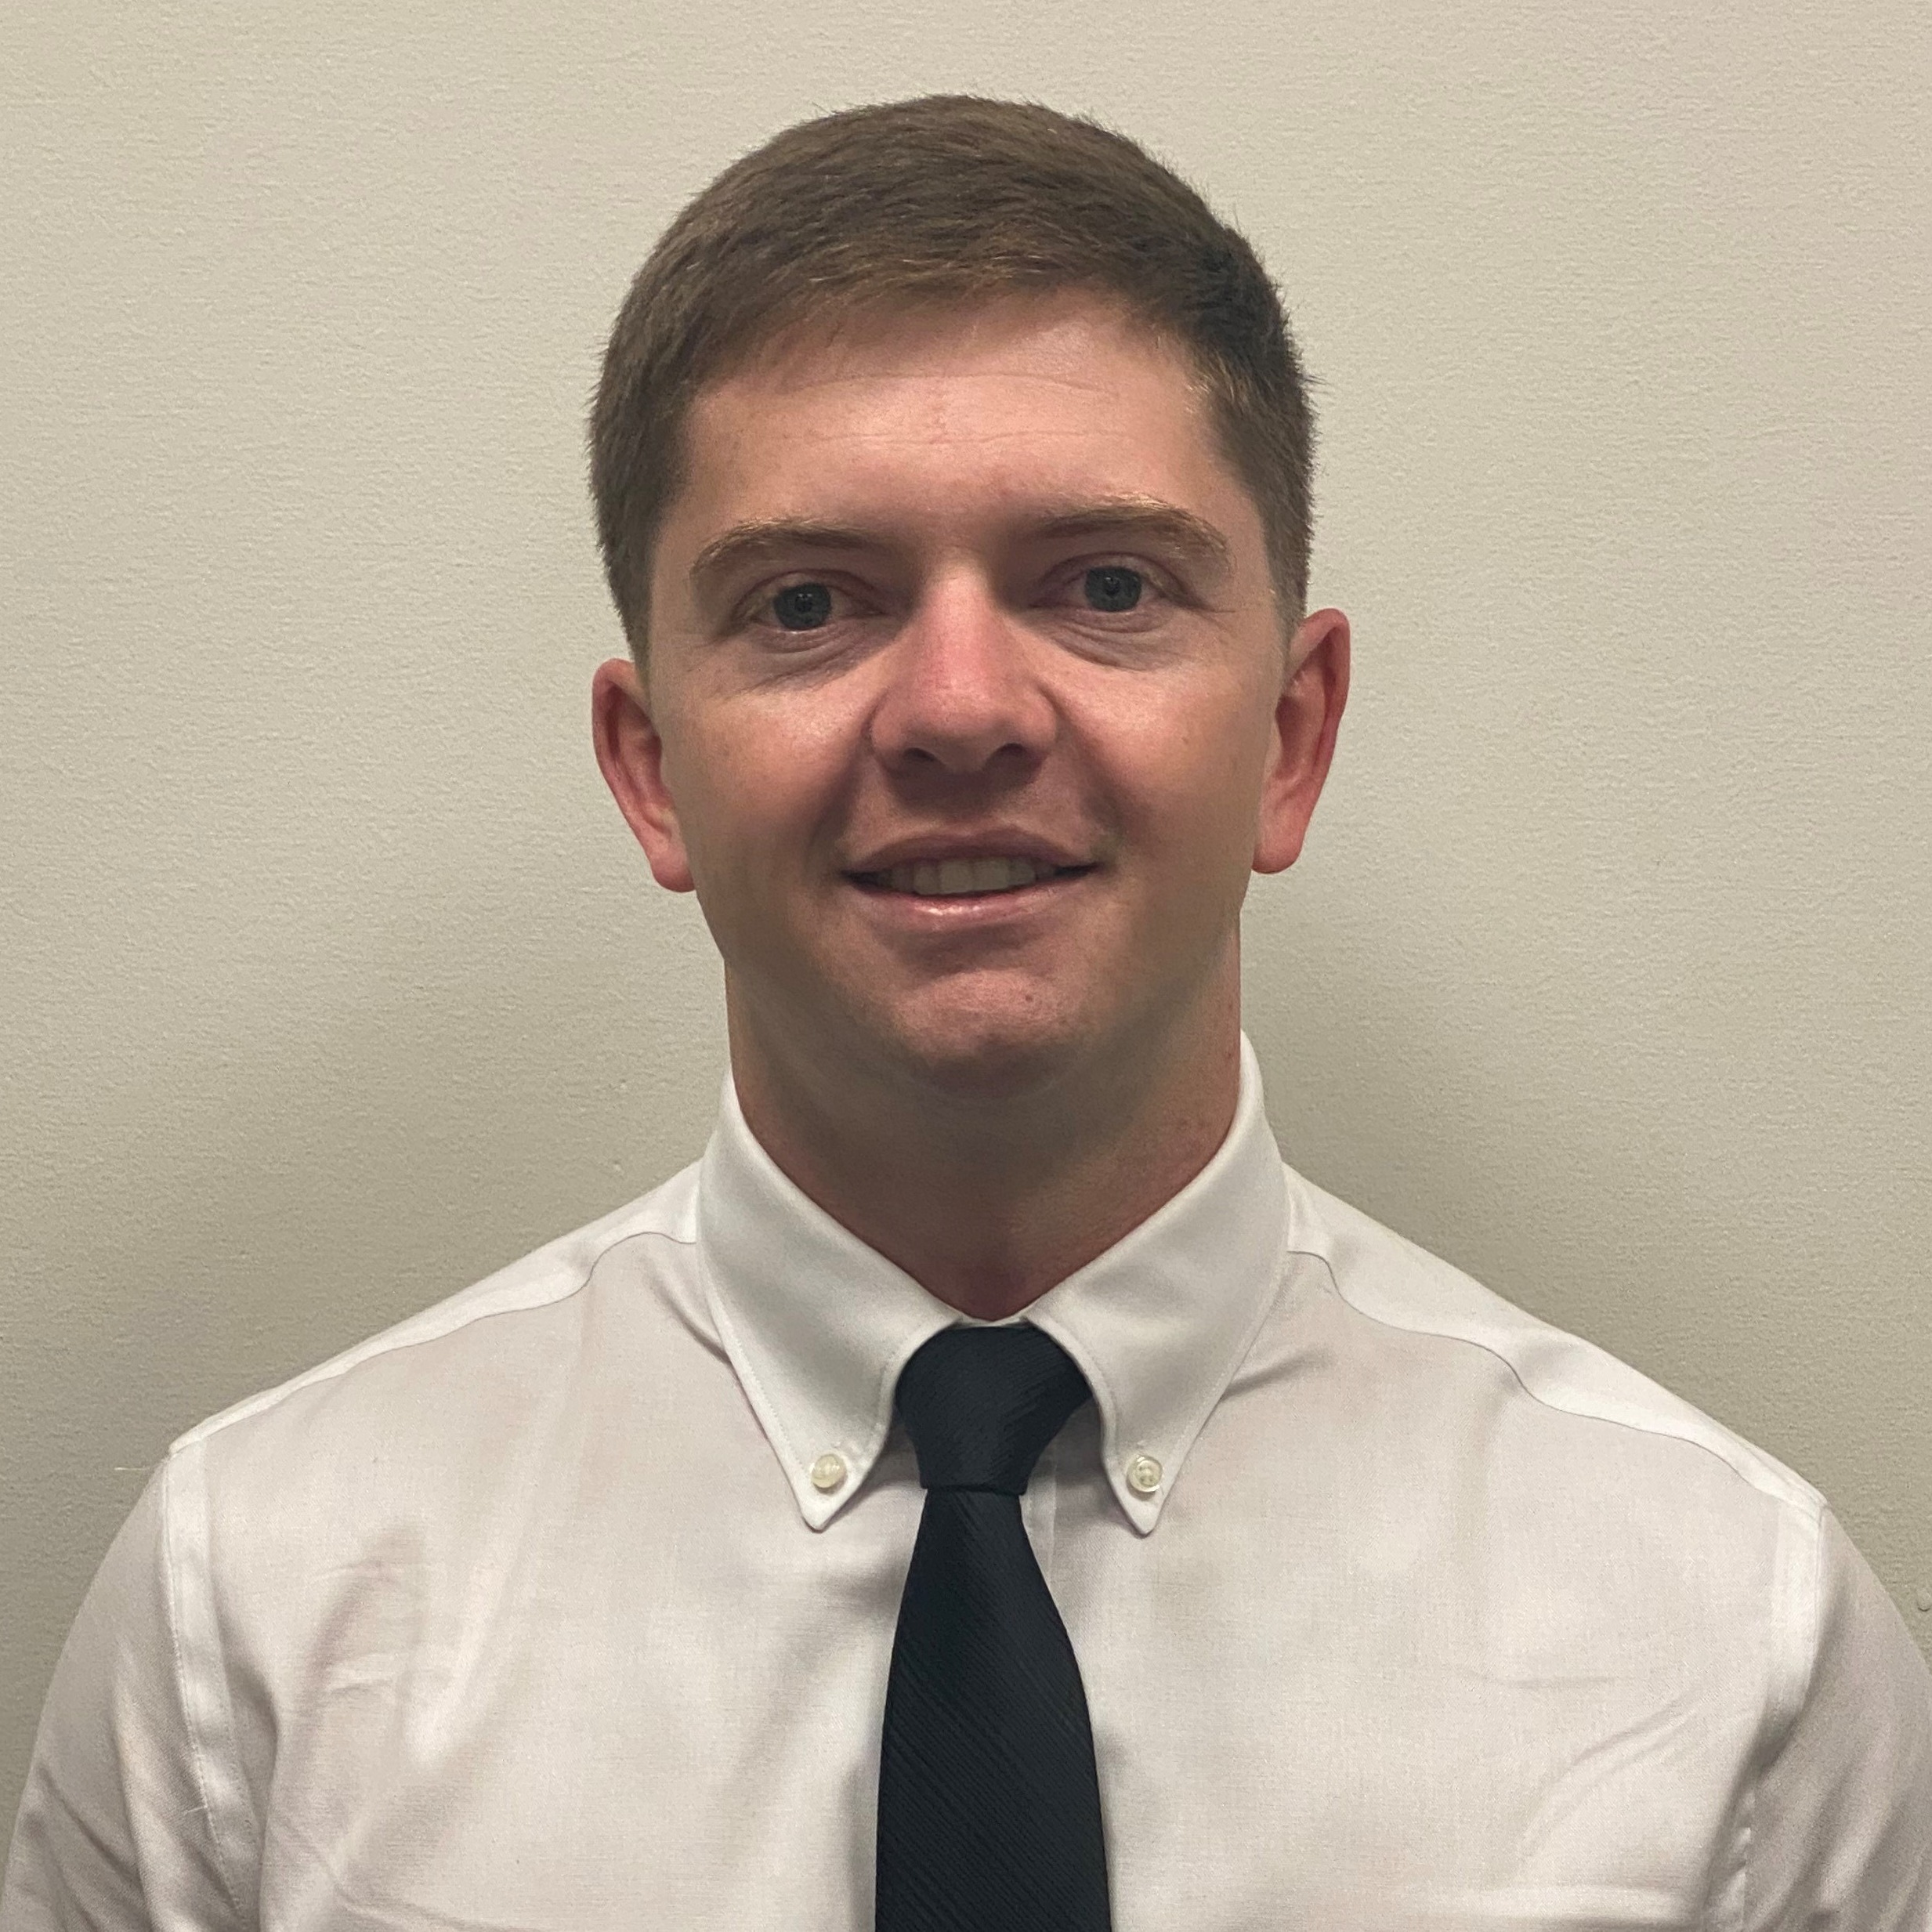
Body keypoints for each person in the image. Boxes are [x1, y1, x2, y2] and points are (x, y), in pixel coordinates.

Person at [5, 94, 1928, 1932]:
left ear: (1290, 735)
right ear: (651, 769)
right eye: (806, 605)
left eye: (1105, 584)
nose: (958, 710)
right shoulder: (254, 1610)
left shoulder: (1728, 1637)